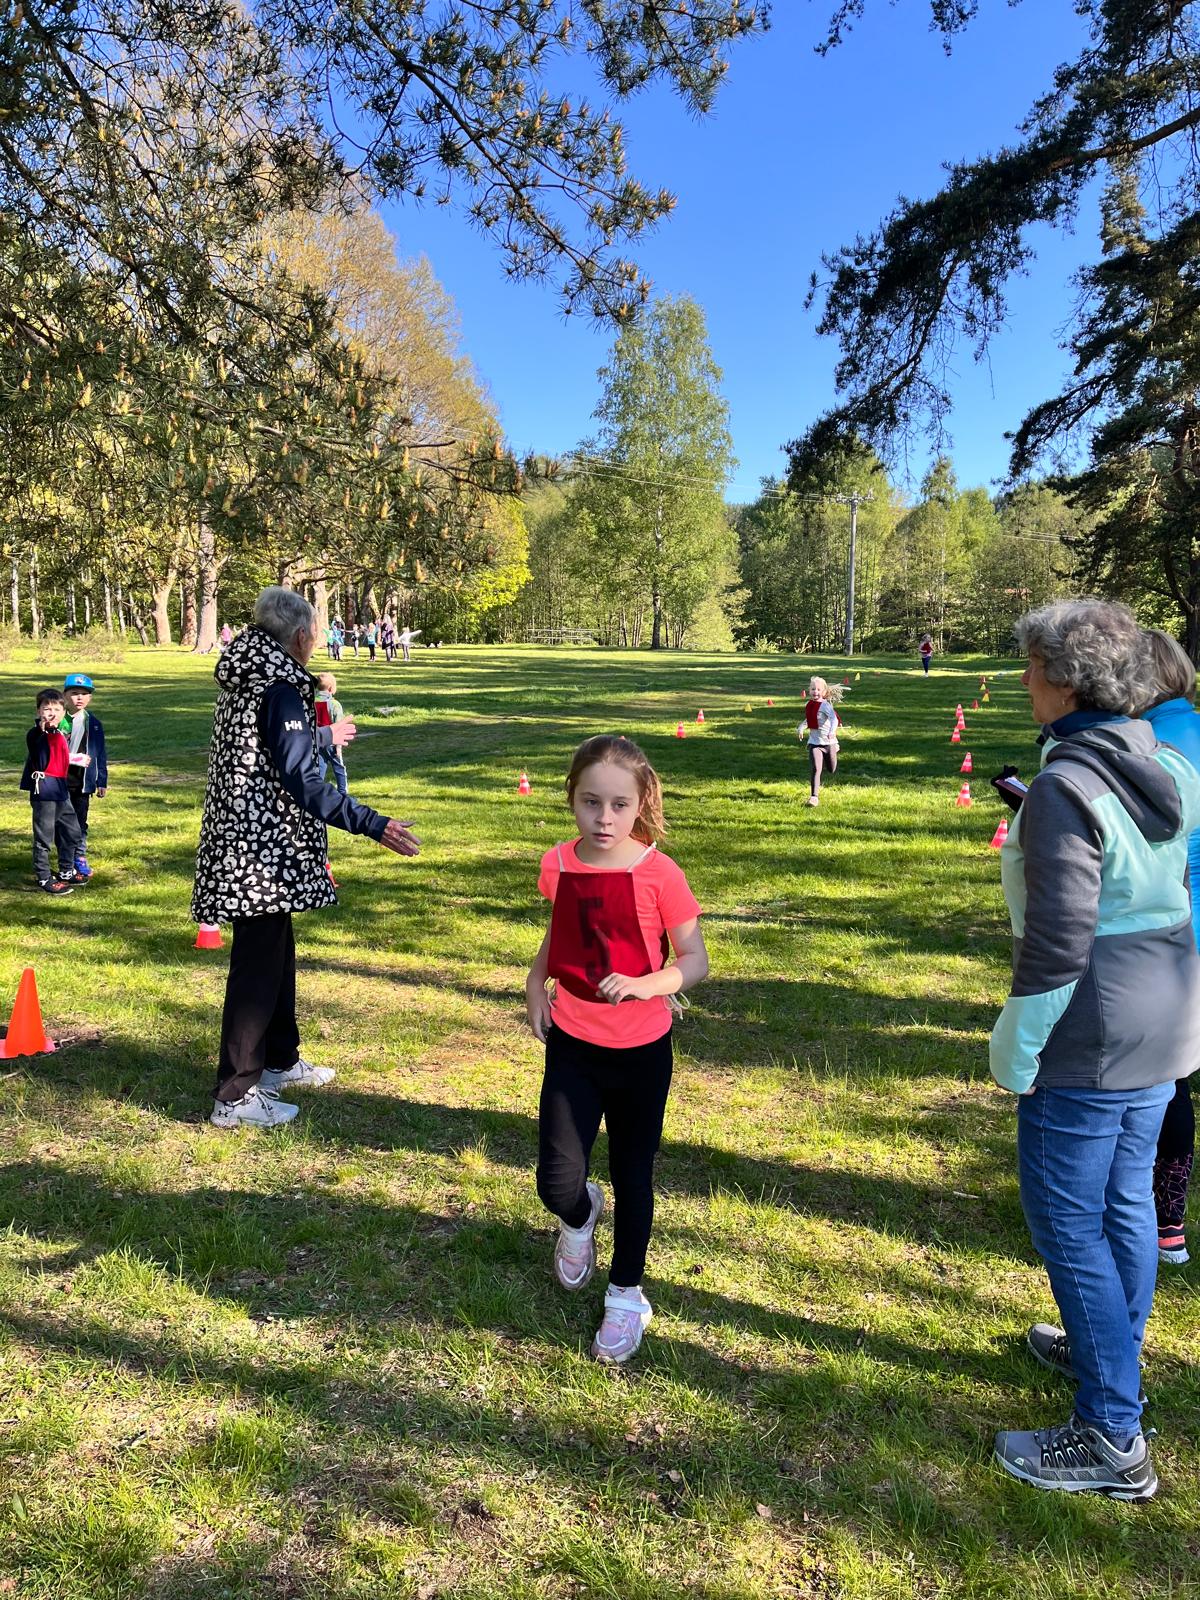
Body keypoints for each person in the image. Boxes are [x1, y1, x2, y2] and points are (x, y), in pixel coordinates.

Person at [990, 600, 1200, 1502]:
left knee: (1068, 1223)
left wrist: (1015, 1051)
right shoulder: (1164, 759)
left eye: (1034, 666)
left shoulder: (1068, 786)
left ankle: (1113, 1436)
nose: (1024, 679)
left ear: (1068, 683)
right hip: (1166, 1012)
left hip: (1094, 1030)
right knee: (1123, 1203)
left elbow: (1057, 946)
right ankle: (1107, 1351)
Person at [192, 587, 421, 1130]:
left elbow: (268, 748)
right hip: (258, 850)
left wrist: (318, 735)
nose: (316, 641)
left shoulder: (253, 673)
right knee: (256, 967)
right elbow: (301, 780)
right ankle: (235, 1095)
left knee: (277, 953)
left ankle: (279, 1060)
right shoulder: (279, 685)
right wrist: (373, 823)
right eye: (315, 633)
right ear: (301, 637)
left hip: (251, 839)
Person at [525, 735, 708, 1365]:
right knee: (556, 1181)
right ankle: (579, 1218)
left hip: (641, 1054)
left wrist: (646, 984)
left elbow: (695, 959)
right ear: (572, 799)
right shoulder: (558, 864)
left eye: (619, 805)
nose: (604, 818)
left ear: (641, 804)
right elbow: (560, 932)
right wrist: (535, 983)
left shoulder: (660, 874)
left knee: (633, 1175)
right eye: (590, 802)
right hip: (573, 1045)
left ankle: (627, 1295)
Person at [1140, 628, 1200, 1266]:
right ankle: (1167, 1227)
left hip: (1175, 934)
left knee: (1165, 1081)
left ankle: (1161, 1225)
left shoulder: (1152, 743)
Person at [20, 688, 85, 895]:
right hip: (44, 790)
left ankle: (66, 869)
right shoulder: (36, 734)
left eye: (57, 709)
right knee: (44, 837)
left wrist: (76, 759)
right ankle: (43, 876)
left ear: (63, 712)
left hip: (60, 788)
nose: (52, 713)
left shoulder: (59, 733)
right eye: (47, 709)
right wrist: (43, 728)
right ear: (38, 711)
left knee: (72, 831)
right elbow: (39, 743)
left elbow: (59, 756)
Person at [57, 672, 108, 880]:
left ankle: (79, 856)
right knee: (61, 822)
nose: (79, 697)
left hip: (82, 781)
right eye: (74, 693)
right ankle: (65, 859)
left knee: (80, 821)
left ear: (90, 698)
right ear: (65, 695)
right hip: (58, 780)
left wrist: (101, 780)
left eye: (84, 694)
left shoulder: (93, 723)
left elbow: (100, 753)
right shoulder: (57, 720)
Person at [798, 675, 840, 807]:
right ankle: (814, 797)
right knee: (816, 768)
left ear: (823, 692)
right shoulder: (809, 705)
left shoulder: (825, 706)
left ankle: (834, 749)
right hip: (814, 742)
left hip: (829, 743)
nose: (815, 691)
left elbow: (834, 719)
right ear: (809, 690)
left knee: (831, 769)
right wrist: (801, 728)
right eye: (812, 689)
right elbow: (808, 720)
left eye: (818, 689)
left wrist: (832, 732)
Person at [314, 672, 349, 797]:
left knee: (320, 768)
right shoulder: (334, 704)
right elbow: (339, 725)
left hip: (318, 740)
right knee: (339, 768)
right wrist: (339, 747)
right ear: (331, 688)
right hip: (332, 741)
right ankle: (343, 793)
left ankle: (317, 792)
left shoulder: (311, 702)